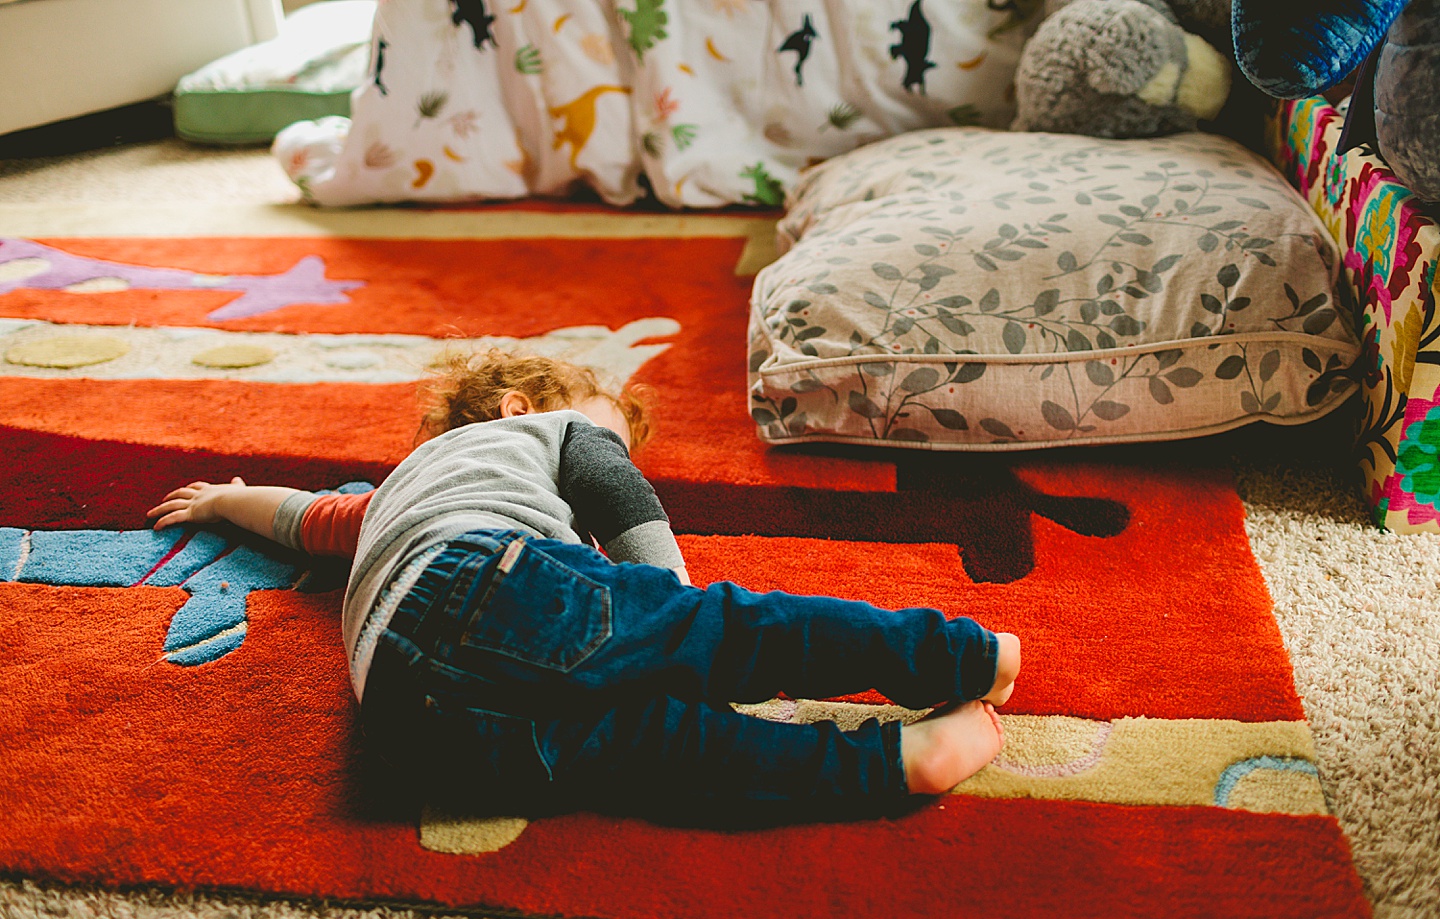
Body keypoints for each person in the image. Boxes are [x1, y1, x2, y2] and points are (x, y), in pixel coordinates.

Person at [148, 349, 1021, 825]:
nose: (610, 451)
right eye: (611, 434)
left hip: (409, 725)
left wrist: (228, 497)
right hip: (483, 585)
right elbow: (617, 493)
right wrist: (672, 605)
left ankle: (894, 766)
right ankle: (965, 656)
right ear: (516, 407)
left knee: (657, 754)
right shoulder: (551, 431)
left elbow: (301, 517)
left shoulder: (388, 500)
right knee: (735, 631)